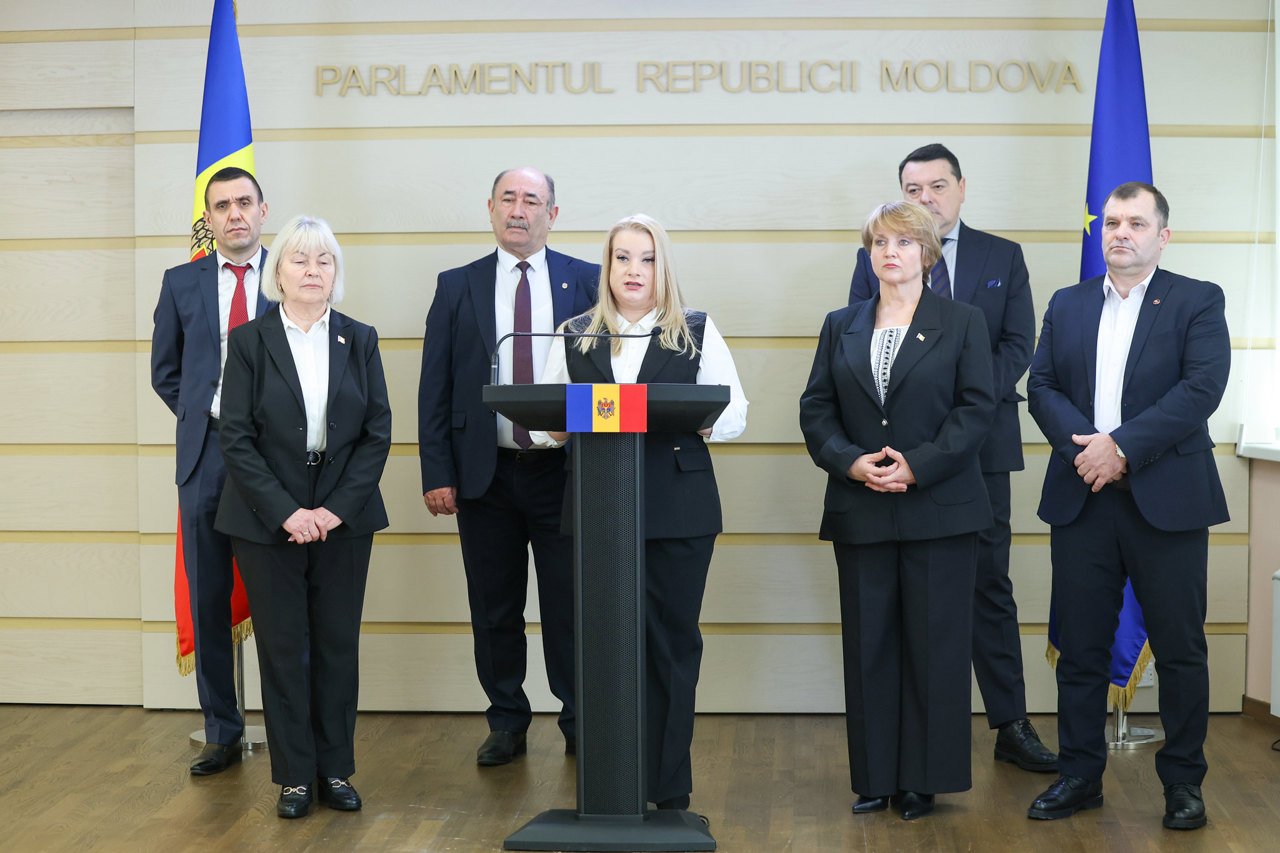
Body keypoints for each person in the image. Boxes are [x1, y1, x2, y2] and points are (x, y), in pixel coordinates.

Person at [1025, 182, 1229, 830]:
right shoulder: (1067, 302)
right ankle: (1079, 775)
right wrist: (1091, 452)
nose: (1120, 232)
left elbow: (1202, 388)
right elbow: (1042, 385)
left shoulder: (1197, 299)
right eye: (1111, 221)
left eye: (1136, 223)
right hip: (1083, 496)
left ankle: (1183, 783)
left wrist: (1121, 447)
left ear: (1161, 236)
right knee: (1082, 649)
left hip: (1167, 500)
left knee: (1180, 649)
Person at [848, 143, 1053, 772]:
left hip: (980, 449)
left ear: (962, 188)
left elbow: (1018, 344)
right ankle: (912, 739)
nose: (926, 198)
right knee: (908, 595)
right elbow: (860, 341)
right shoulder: (876, 256)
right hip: (897, 452)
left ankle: (1011, 723)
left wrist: (962, 408)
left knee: (988, 584)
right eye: (913, 189)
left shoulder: (1002, 256)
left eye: (937, 186)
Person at [535, 213, 748, 812]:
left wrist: (689, 416)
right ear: (607, 267)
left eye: (648, 259)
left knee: (670, 646)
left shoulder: (695, 330)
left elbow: (733, 413)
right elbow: (547, 420)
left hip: (677, 510)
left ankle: (668, 787)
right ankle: (608, 785)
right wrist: (565, 423)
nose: (634, 270)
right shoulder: (575, 333)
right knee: (602, 645)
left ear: (664, 268)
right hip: (597, 507)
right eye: (623, 258)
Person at [801, 201, 995, 821]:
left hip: (939, 507)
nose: (891, 252)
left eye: (904, 242)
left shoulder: (963, 321)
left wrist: (919, 464)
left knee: (935, 649)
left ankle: (922, 781)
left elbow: (976, 409)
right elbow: (816, 408)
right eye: (880, 242)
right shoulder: (841, 324)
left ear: (927, 253)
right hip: (861, 506)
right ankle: (875, 775)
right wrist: (849, 461)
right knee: (869, 648)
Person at [417, 167, 598, 765]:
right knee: (494, 608)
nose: (519, 210)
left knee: (569, 606)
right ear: (490, 208)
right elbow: (435, 385)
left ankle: (579, 719)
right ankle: (506, 721)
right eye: (509, 199)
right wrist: (437, 472)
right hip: (483, 474)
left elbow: (607, 377)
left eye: (532, 200)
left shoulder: (588, 281)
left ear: (553, 214)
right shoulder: (457, 285)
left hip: (564, 473)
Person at [214, 214, 392, 819]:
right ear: (279, 271)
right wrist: (288, 511)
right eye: (300, 259)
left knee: (337, 645)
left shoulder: (360, 338)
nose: (313, 270)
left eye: (324, 260)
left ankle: (335, 769)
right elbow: (236, 438)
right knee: (285, 648)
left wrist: (333, 511)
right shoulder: (248, 341)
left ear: (335, 272)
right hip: (266, 515)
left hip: (344, 511)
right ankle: (294, 777)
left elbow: (377, 433)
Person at [150, 166, 269, 775]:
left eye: (244, 202)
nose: (234, 214)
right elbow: (165, 371)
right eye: (221, 206)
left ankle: (295, 730)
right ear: (209, 218)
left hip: (277, 456)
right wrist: (209, 415)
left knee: (279, 593)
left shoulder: (292, 273)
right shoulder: (180, 282)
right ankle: (223, 730)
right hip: (207, 453)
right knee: (209, 594)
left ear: (263, 210)